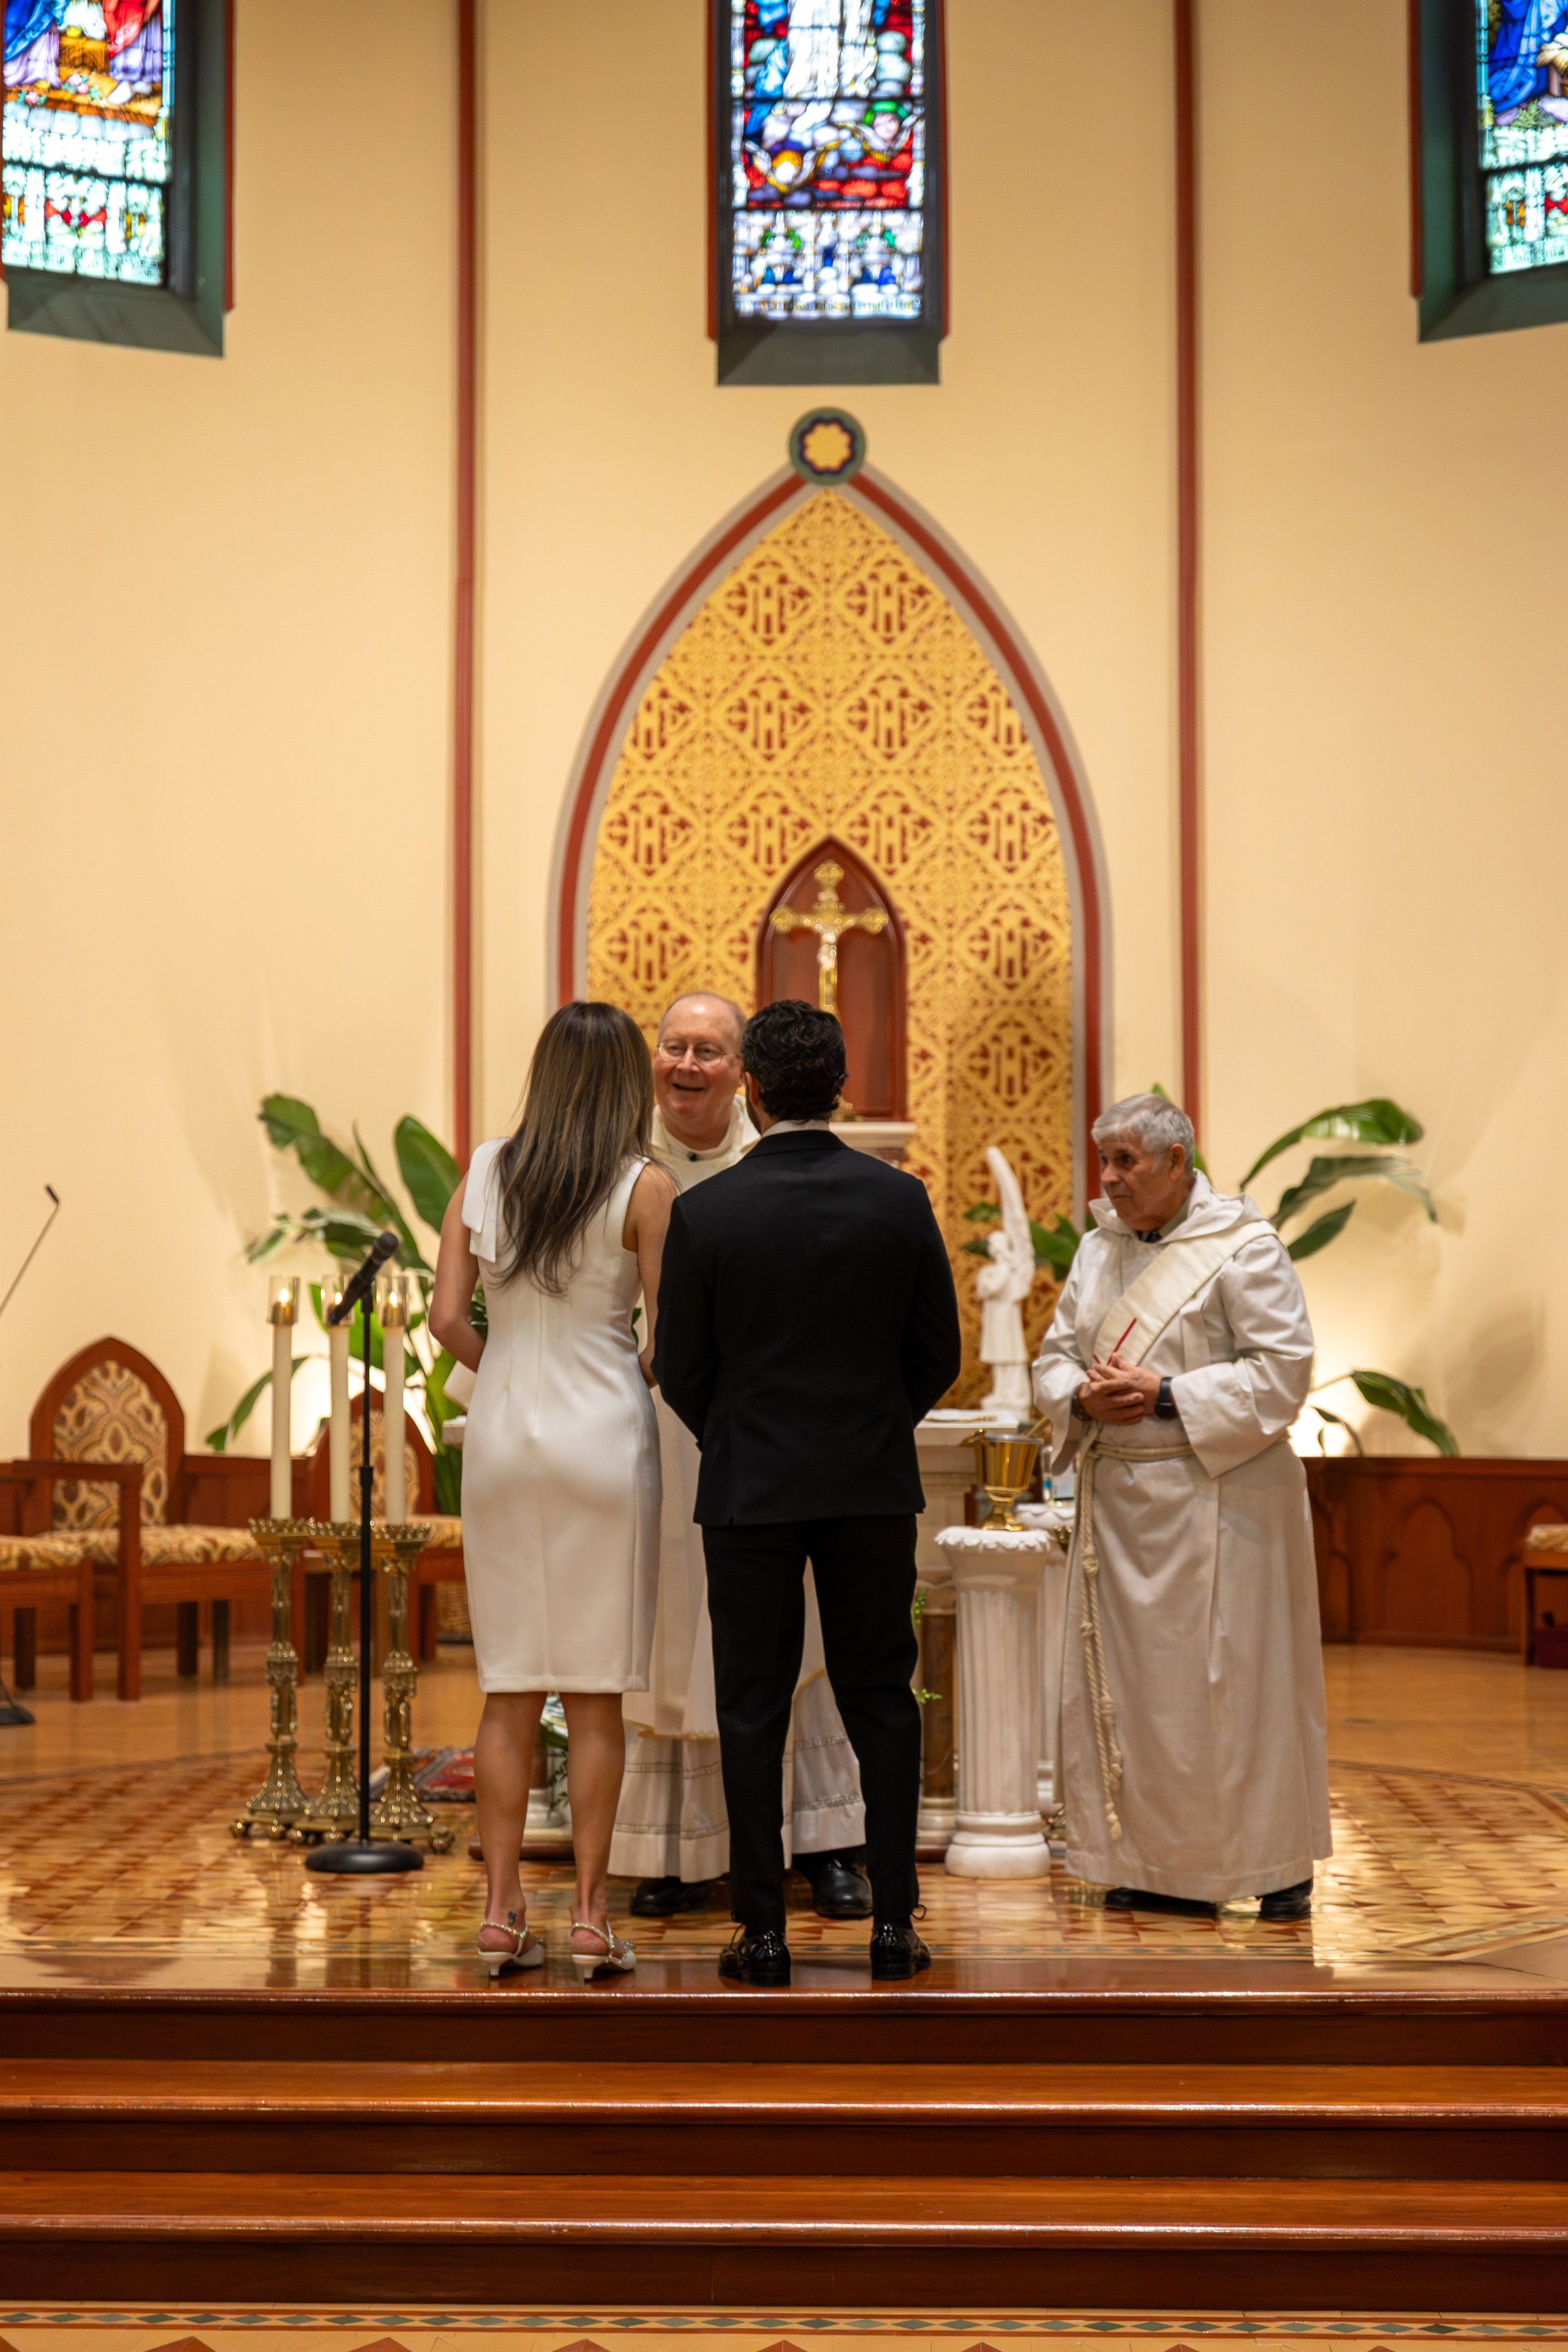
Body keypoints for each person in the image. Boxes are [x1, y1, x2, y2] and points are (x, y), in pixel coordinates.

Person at [654, 999, 962, 1984]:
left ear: (751, 1085)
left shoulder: (709, 1211)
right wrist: (871, 1428)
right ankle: (893, 1927)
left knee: (751, 1705)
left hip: (749, 1483)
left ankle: (761, 1932)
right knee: (883, 1698)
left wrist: (737, 1437)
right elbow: (938, 1355)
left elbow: (681, 1365)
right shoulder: (900, 1200)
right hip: (870, 1483)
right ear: (839, 1086)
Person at [1031, 1093, 1331, 1923]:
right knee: (1136, 1698)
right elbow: (1053, 1360)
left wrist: (1167, 1394)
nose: (1111, 1179)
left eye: (1128, 1162)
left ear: (1178, 1163)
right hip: (1122, 1516)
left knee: (1235, 1688)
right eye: (1107, 1161)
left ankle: (1272, 1864)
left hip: (1222, 1500)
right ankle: (1151, 1861)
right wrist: (1083, 1399)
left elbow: (1282, 1377)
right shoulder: (1098, 1251)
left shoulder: (1244, 1250)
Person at [611, 990, 874, 1924]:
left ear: (746, 1077)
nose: (687, 1065)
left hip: (762, 1452)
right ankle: (671, 1849)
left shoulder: (768, 1175)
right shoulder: (616, 1168)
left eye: (709, 1051)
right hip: (649, 1440)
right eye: (673, 1047)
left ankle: (829, 1841)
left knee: (793, 1641)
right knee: (668, 1638)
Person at [430, 1000, 676, 1981]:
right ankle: (586, 1914)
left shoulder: (484, 1171)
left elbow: (450, 1318)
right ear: (626, 1084)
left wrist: (512, 1375)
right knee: (596, 1693)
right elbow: (672, 1336)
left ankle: (499, 1912)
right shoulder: (645, 1185)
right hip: (602, 1440)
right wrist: (620, 1379)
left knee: (508, 1689)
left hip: (500, 1437)